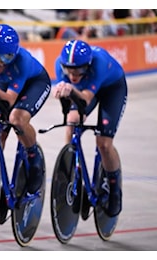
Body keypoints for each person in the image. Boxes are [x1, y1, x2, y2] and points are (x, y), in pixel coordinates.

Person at [0, 24, 51, 195]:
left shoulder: (21, 61)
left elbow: (9, 100)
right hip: (5, 85)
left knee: (17, 119)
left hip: (34, 84)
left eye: (1, 60)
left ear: (12, 56)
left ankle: (33, 156)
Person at [52, 39, 127, 217]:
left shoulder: (99, 62)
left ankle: (115, 189)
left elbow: (85, 98)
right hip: (85, 89)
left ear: (88, 65)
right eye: (69, 69)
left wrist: (69, 89)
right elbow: (72, 100)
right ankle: (70, 167)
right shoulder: (59, 64)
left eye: (78, 69)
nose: (73, 74)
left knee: (104, 144)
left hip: (111, 90)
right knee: (72, 120)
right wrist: (62, 94)